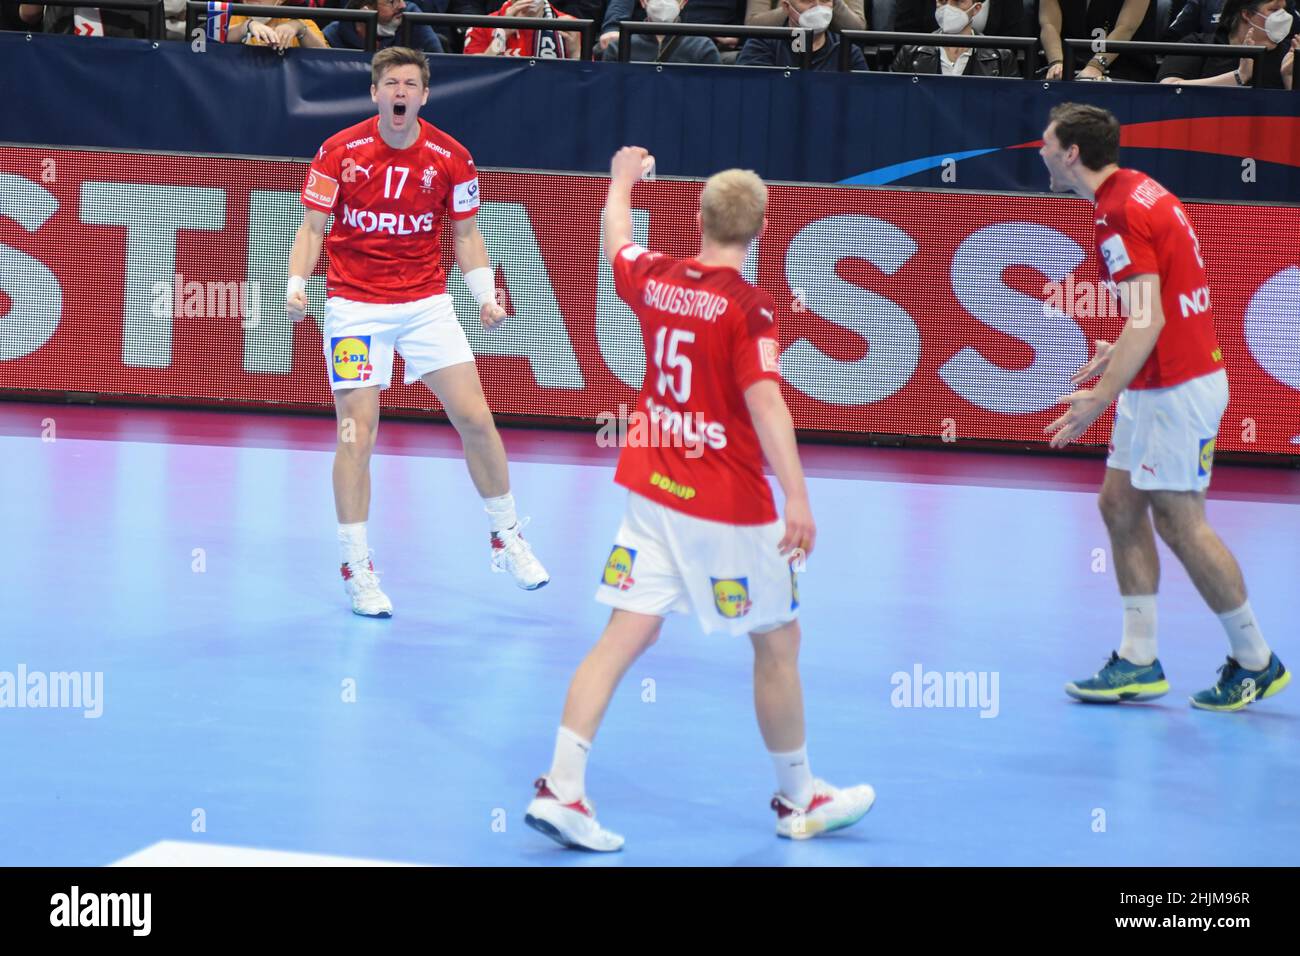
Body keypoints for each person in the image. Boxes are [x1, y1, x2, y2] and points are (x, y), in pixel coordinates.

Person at [524, 147, 875, 851]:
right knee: (778, 643)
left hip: (651, 486)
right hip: (726, 505)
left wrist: (621, 179)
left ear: (697, 218)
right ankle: (799, 798)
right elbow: (768, 404)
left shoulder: (656, 278)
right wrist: (798, 497)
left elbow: (616, 239)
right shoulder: (750, 309)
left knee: (624, 634)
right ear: (761, 231)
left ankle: (562, 787)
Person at [1039, 102, 1289, 711]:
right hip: (1160, 378)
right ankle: (1138, 660)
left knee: (1180, 522)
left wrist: (1097, 399)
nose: (1040, 150)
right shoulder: (1139, 189)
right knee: (1119, 504)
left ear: (1072, 153)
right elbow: (1155, 309)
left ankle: (1256, 660)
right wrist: (1117, 349)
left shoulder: (1117, 213)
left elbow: (1146, 318)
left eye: (1046, 143)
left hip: (1177, 388)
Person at [285, 47, 550, 617]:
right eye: (390, 83)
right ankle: (356, 567)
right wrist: (296, 282)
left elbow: (466, 235)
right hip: (354, 307)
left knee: (476, 418)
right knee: (358, 433)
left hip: (426, 303)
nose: (400, 91)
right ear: (376, 94)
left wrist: (483, 295)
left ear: (424, 95)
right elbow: (312, 226)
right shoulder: (339, 151)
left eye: (410, 83)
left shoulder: (451, 157)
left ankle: (506, 536)